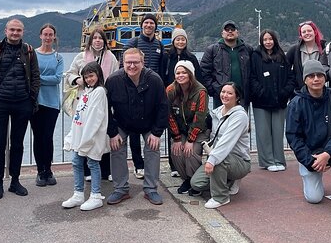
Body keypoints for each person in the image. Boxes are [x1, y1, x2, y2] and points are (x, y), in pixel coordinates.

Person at [285, 60, 331, 211]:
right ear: (305, 80)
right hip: (310, 156)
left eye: (319, 75)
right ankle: (310, 176)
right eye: (311, 76)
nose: (316, 79)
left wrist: (327, 154)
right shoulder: (296, 104)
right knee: (314, 198)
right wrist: (310, 161)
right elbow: (293, 137)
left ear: (325, 78)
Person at [0, 18, 40, 200]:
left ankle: (15, 180)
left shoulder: (29, 51)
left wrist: (31, 98)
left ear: (23, 32)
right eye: (12, 30)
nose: (15, 33)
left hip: (22, 102)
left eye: (18, 30)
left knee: (18, 144)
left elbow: (36, 76)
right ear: (6, 30)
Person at [105, 48, 168, 206]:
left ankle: (151, 188)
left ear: (143, 63)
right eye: (128, 62)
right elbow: (105, 109)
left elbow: (163, 107)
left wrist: (156, 133)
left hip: (148, 123)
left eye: (136, 62)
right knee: (116, 147)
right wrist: (112, 133)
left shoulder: (155, 80)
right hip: (123, 122)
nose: (132, 66)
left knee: (152, 147)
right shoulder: (113, 80)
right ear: (122, 63)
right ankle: (120, 189)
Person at [64, 26, 119, 182]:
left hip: (104, 100)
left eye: (100, 38)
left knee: (104, 134)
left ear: (104, 41)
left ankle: (105, 170)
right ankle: (87, 170)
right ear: (90, 41)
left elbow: (115, 77)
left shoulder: (111, 58)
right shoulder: (81, 57)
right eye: (94, 38)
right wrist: (78, 80)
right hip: (85, 100)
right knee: (85, 133)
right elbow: (69, 74)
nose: (97, 41)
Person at [190, 82, 251, 209]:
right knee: (196, 184)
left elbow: (226, 141)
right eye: (223, 92)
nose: (225, 95)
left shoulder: (240, 116)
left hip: (239, 160)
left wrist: (211, 160)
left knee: (218, 161)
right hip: (219, 155)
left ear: (237, 97)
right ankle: (229, 180)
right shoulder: (216, 112)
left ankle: (221, 197)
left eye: (229, 93)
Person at [123, 13, 168, 179]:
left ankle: (150, 164)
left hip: (153, 89)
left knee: (151, 126)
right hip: (135, 88)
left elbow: (162, 67)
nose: (149, 25)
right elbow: (125, 64)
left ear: (155, 27)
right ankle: (138, 164)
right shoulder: (133, 42)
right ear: (142, 25)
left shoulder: (159, 45)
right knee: (134, 129)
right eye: (146, 23)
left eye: (152, 23)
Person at [62, 62, 110, 211]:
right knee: (76, 162)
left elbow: (95, 117)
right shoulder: (86, 92)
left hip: (91, 136)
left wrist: (86, 139)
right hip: (80, 135)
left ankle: (95, 195)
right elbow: (79, 114)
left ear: (98, 75)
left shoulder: (100, 92)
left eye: (92, 76)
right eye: (86, 77)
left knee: (93, 163)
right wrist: (72, 136)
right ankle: (78, 193)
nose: (89, 79)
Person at [248, 29, 295, 171]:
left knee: (278, 131)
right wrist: (260, 92)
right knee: (263, 132)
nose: (268, 42)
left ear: (275, 40)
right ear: (261, 41)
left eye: (270, 39)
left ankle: (279, 160)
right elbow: (252, 77)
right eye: (265, 39)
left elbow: (290, 77)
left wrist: (285, 92)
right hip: (261, 102)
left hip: (279, 101)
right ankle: (268, 161)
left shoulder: (282, 56)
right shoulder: (255, 56)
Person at [167, 61, 210, 194]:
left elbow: (200, 117)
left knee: (190, 152)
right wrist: (177, 138)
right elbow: (168, 114)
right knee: (176, 150)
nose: (181, 75)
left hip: (199, 129)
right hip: (181, 130)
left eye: (184, 72)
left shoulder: (201, 91)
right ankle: (186, 179)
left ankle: (195, 181)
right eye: (178, 73)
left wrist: (190, 141)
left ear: (191, 74)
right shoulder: (170, 90)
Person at [30, 23, 64, 187]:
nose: (48, 37)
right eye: (45, 34)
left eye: (51, 34)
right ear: (40, 36)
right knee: (38, 137)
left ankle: (48, 170)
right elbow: (28, 76)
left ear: (54, 37)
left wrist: (38, 79)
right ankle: (40, 171)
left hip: (51, 103)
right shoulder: (32, 55)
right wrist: (40, 79)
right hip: (35, 102)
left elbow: (58, 78)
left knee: (48, 137)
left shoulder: (58, 57)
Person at [200, 20, 252, 108]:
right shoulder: (212, 50)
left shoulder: (247, 49)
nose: (230, 31)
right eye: (227, 29)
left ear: (237, 32)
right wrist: (214, 90)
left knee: (241, 121)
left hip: (242, 98)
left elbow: (254, 72)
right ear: (222, 33)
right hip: (220, 98)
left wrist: (250, 91)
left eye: (232, 29)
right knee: (221, 121)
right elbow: (204, 72)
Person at [286, 21, 328, 92]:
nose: (307, 33)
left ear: (315, 32)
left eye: (309, 31)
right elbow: (286, 69)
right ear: (301, 35)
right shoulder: (294, 50)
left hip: (319, 91)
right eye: (304, 32)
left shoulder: (324, 49)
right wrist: (293, 82)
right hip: (299, 91)